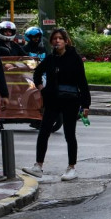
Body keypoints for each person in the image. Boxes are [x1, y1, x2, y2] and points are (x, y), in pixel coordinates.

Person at [23, 28, 89, 181]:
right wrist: (41, 89)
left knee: (69, 134)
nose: (57, 41)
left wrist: (86, 105)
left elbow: (83, 83)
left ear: (66, 41)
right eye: (54, 39)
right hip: (53, 100)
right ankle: (38, 166)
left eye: (60, 38)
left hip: (71, 101)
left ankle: (71, 167)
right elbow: (37, 73)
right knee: (44, 131)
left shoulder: (74, 58)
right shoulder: (50, 58)